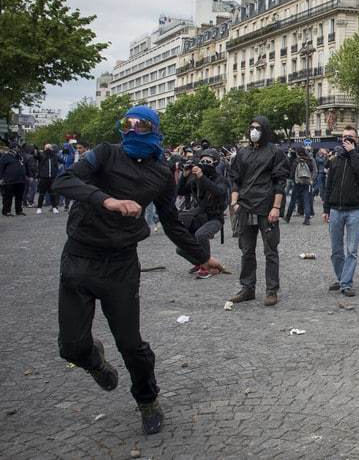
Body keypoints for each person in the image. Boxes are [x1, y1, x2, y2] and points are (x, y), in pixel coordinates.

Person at [51, 105, 223, 435]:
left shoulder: (161, 174)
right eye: (126, 124)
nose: (131, 130)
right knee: (70, 347)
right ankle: (94, 359)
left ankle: (147, 399)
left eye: (140, 125)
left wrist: (200, 257)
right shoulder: (103, 154)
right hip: (79, 256)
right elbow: (63, 180)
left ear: (155, 130)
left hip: (120, 265)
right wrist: (106, 200)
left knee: (131, 345)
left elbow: (172, 223)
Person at [228, 116, 289, 306]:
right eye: (251, 127)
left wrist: (276, 207)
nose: (254, 131)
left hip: (267, 207)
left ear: (265, 130)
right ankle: (247, 288)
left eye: (258, 128)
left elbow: (280, 182)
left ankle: (271, 290)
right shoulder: (242, 153)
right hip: (245, 207)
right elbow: (235, 179)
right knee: (246, 250)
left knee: (270, 251)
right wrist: (234, 202)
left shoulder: (275, 152)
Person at [324, 126, 359, 297]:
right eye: (344, 137)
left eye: (351, 137)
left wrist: (352, 153)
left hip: (354, 211)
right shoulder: (336, 159)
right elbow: (329, 185)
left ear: (357, 140)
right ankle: (341, 277)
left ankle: (346, 284)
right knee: (336, 250)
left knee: (351, 250)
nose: (347, 140)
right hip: (336, 209)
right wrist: (326, 209)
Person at [176, 149, 227, 279]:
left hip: (215, 218)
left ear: (215, 163)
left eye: (208, 161)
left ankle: (207, 267)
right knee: (181, 248)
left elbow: (219, 192)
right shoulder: (195, 179)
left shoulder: (220, 179)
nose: (204, 163)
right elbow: (181, 191)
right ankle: (200, 263)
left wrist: (201, 177)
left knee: (201, 235)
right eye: (202, 160)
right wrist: (184, 175)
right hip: (199, 217)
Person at [285, 146, 317, 225]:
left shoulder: (296, 161)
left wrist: (293, 179)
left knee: (293, 200)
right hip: (307, 183)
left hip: (297, 183)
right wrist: (311, 180)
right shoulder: (309, 160)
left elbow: (291, 172)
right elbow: (314, 171)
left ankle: (288, 217)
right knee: (307, 200)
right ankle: (307, 219)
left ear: (297, 153)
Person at [0, 143, 30, 216]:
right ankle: (6, 211)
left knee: (19, 196)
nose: (18, 149)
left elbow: (25, 166)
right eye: (16, 148)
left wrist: (28, 175)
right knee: (8, 197)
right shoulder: (5, 156)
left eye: (18, 148)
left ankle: (19, 210)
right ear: (12, 148)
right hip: (9, 180)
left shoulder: (20, 156)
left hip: (20, 180)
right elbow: (1, 168)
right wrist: (0, 178)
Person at [35, 144, 62, 214]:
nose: (48, 149)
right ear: (44, 148)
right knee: (41, 193)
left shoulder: (54, 156)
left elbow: (62, 161)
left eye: (49, 148)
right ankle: (39, 208)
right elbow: (35, 156)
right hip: (43, 177)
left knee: (53, 193)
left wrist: (57, 169)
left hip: (52, 178)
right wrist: (36, 150)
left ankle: (54, 207)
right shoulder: (42, 155)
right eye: (46, 148)